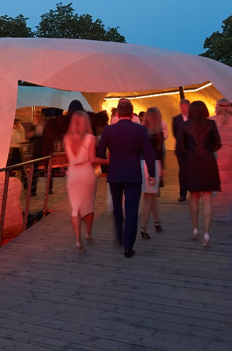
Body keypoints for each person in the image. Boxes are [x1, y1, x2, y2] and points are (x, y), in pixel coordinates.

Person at [96, 98, 156, 258]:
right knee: (131, 210)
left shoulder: (109, 130)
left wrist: (105, 169)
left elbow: (100, 151)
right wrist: (152, 174)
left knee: (117, 206)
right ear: (131, 113)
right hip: (133, 174)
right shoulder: (140, 130)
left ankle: (118, 234)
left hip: (115, 173)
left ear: (117, 113)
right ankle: (128, 246)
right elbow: (149, 153)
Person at [176, 100, 221, 247]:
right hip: (208, 161)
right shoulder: (211, 124)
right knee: (207, 198)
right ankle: (207, 233)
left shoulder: (184, 125)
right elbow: (218, 144)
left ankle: (195, 228)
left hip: (191, 162)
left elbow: (179, 148)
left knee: (194, 197)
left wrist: (184, 162)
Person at [64, 110, 108, 252]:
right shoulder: (90, 138)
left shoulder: (66, 139)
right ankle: (88, 233)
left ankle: (78, 240)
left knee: (75, 208)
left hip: (73, 175)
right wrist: (108, 161)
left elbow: (68, 160)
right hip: (86, 174)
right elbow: (92, 159)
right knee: (89, 206)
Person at [210, 99, 232, 221]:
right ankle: (229, 209)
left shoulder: (211, 120)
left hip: (217, 154)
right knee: (230, 180)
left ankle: (219, 211)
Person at [139, 107, 166, 239]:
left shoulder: (142, 131)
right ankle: (143, 227)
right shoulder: (158, 133)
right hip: (153, 165)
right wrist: (162, 170)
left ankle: (157, 221)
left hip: (141, 163)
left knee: (151, 195)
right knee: (148, 197)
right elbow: (161, 153)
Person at [172, 99, 190, 202]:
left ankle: (194, 189)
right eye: (181, 107)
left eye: (185, 107)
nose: (183, 109)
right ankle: (182, 193)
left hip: (192, 149)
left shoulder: (193, 118)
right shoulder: (176, 119)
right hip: (181, 150)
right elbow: (175, 133)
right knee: (182, 171)